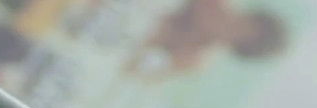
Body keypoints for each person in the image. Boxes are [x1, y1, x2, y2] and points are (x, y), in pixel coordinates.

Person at [123, 0, 289, 82]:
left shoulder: (193, 57)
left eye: (241, 36)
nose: (233, 27)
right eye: (245, 24)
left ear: (237, 47)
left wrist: (161, 35)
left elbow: (133, 67)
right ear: (250, 16)